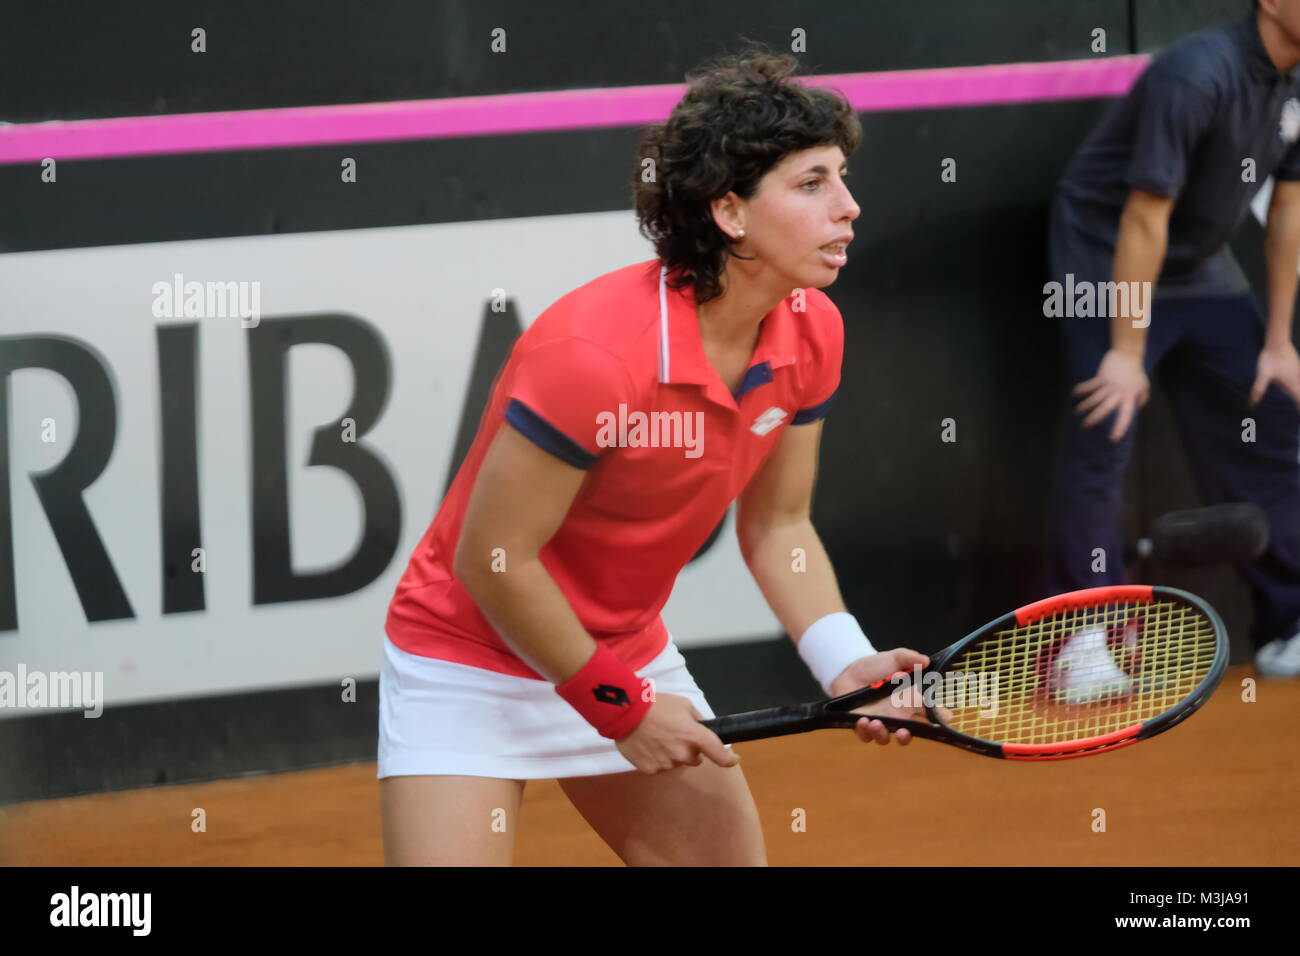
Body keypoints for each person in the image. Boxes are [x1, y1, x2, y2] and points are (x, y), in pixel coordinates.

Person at [377, 46, 930, 867]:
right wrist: (620, 707)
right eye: (811, 184)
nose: (848, 206)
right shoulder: (595, 355)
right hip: (468, 659)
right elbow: (495, 559)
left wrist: (845, 661)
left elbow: (778, 526)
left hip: (623, 649)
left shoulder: (814, 328)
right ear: (730, 212)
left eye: (842, 177)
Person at [1045, 0, 1300, 679]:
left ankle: (1287, 624)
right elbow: (1142, 220)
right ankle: (1083, 642)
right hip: (1106, 253)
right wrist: (1127, 355)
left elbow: (1290, 204)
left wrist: (1279, 341)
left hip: (1197, 265)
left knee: (1269, 413)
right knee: (1106, 422)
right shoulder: (1195, 74)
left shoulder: (1295, 81)